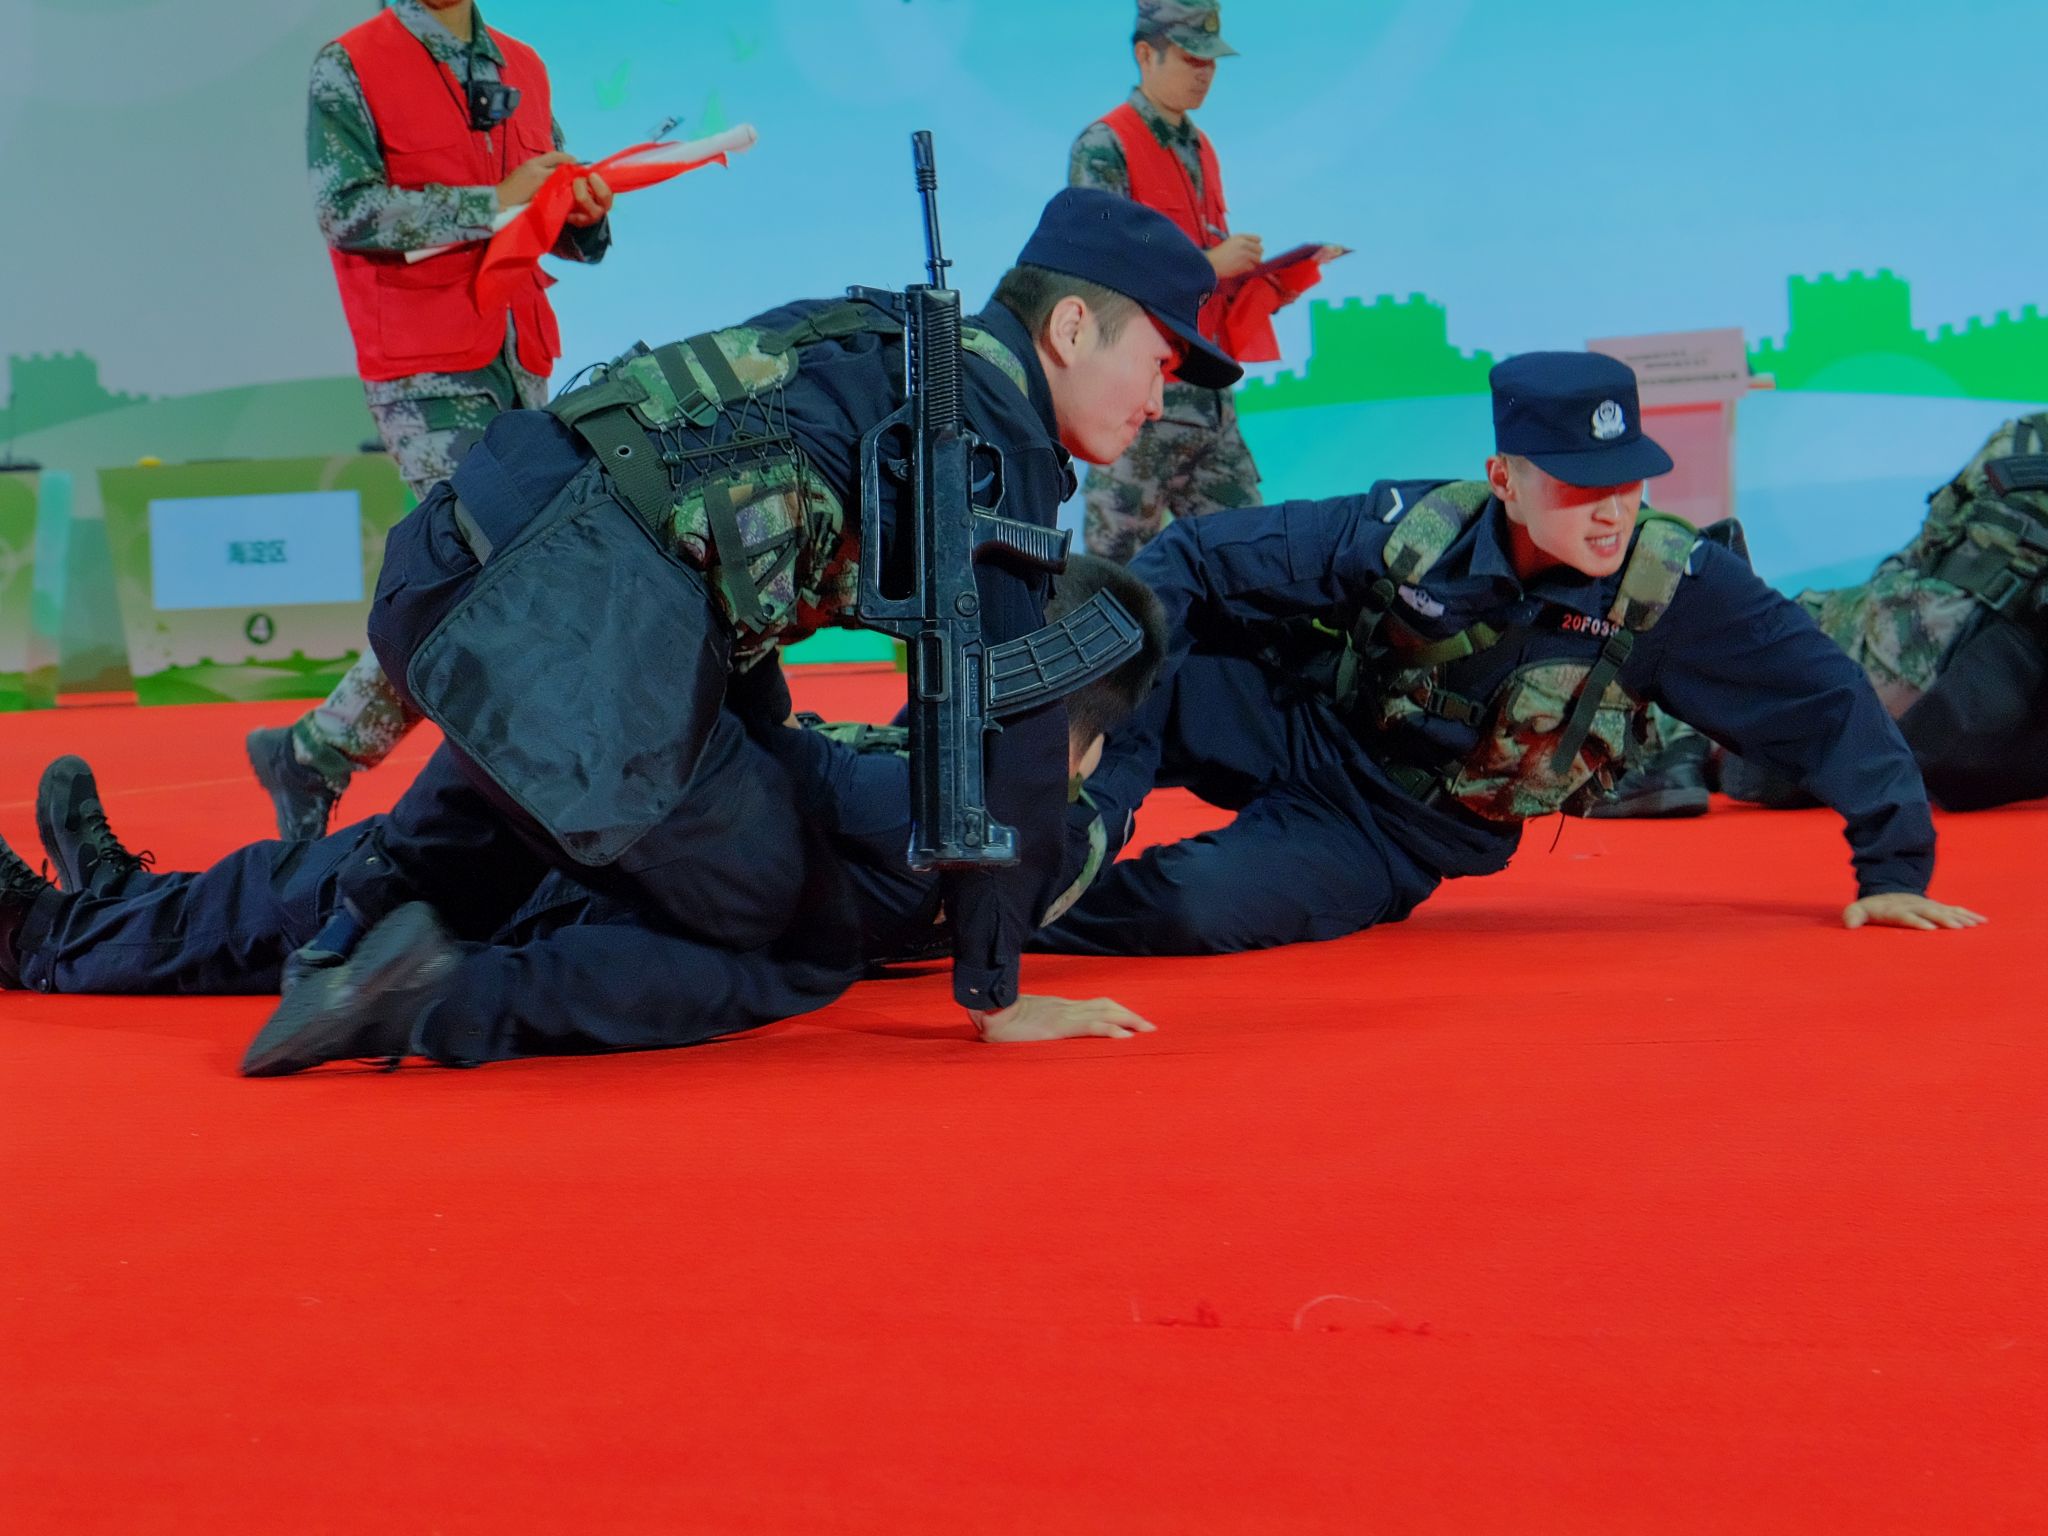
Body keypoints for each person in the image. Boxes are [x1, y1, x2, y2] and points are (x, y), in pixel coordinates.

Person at [239, 194, 1233, 1060]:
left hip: (443, 577)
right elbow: (1009, 728)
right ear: (1070, 327)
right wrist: (995, 991)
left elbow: (708, 561)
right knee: (805, 932)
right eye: (1156, 363)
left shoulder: (860, 336)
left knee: (581, 750)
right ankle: (430, 1001)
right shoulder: (991, 435)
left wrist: (757, 738)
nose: (1158, 402)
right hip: (560, 650)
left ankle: (342, 946)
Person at [0, 557, 1170, 1067]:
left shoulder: (979, 811)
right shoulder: (1033, 802)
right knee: (329, 877)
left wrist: (738, 626)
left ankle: (44, 937)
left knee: (328, 892)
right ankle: (117, 907)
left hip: (641, 893)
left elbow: (796, 768)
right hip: (667, 871)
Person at [1032, 351, 1985, 961]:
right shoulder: (1413, 526)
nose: (1612, 512)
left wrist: (1894, 871)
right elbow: (1196, 557)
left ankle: (1003, 920)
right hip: (1294, 716)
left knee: (1192, 910)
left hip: (1393, 831)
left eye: (1629, 483)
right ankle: (993, 850)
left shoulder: (1678, 587)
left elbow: (1825, 698)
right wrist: (1102, 744)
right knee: (1122, 672)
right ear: (1505, 481)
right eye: (1580, 486)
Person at [247, 0, 616, 842]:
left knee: (496, 573)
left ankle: (315, 753)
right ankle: (500, 795)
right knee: (480, 568)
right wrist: (490, 203)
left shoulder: (522, 63)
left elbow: (547, 208)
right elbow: (347, 212)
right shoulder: (351, 62)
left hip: (519, 352)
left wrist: (583, 214)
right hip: (423, 363)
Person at [1068, 0, 1332, 563]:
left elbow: (1206, 286)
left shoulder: (1201, 147)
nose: (1205, 73)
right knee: (1116, 579)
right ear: (1146, 54)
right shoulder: (1106, 145)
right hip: (1138, 406)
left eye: (1211, 61)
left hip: (1209, 403)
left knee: (1253, 561)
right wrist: (1210, 264)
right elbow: (1097, 271)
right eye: (1191, 58)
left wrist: (1270, 284)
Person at [1715, 411, 2048, 813]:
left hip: (1922, 657)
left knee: (1764, 636)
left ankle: (1682, 750)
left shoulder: (2024, 436)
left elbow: (1926, 546)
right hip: (1994, 696)